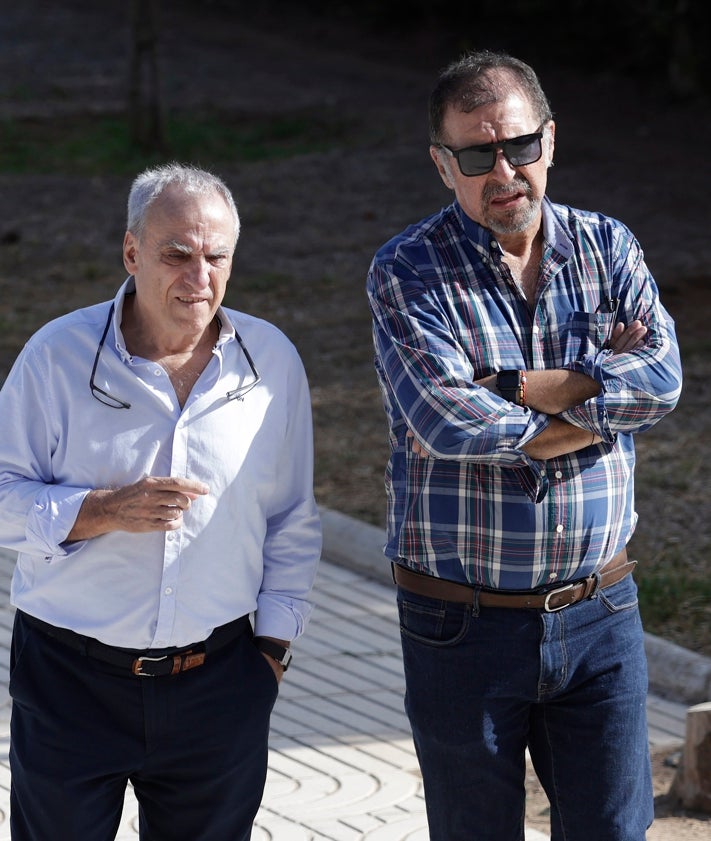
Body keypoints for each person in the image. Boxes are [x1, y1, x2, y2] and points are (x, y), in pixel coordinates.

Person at [366, 50, 682, 841]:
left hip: (600, 612)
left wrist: (508, 383)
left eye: (520, 145)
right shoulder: (407, 273)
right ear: (443, 166)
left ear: (550, 140)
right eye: (477, 154)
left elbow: (663, 380)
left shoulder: (607, 248)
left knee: (614, 832)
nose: (503, 169)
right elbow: (445, 421)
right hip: (461, 625)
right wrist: (598, 390)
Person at [0, 163, 321, 840]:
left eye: (215, 257)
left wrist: (272, 651)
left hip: (220, 683)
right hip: (69, 680)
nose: (198, 277)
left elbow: (291, 516)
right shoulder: (55, 357)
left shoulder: (271, 363)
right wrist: (104, 509)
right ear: (130, 252)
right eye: (177, 254)